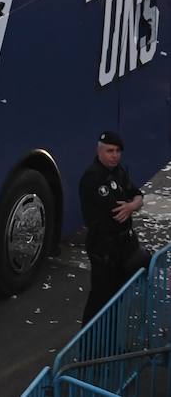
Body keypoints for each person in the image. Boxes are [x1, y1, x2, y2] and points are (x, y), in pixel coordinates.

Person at [80, 130, 151, 323]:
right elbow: (117, 212)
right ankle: (90, 349)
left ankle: (111, 345)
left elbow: (137, 195)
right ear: (99, 151)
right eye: (110, 151)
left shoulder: (118, 171)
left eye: (118, 151)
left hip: (124, 246)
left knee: (118, 298)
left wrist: (133, 205)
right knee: (101, 300)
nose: (115, 155)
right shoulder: (93, 178)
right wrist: (131, 204)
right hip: (105, 249)